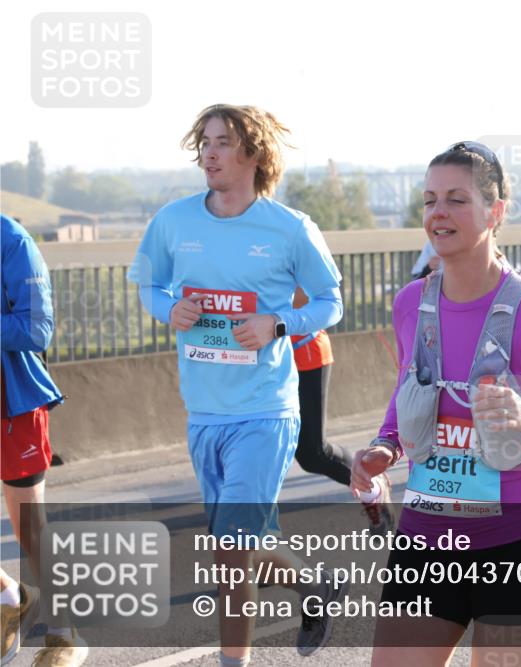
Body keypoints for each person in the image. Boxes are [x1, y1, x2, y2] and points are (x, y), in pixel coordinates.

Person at [350, 142, 521, 666]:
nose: (438, 212)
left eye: (456, 199)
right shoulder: (411, 304)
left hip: (520, 542)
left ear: (495, 212)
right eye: (429, 200)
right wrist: (383, 449)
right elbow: (408, 397)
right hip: (427, 539)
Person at [127, 105, 347, 665]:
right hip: (204, 410)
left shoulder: (290, 228)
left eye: (223, 142)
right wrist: (168, 309)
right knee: (240, 542)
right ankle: (312, 588)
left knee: (229, 552)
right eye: (204, 142)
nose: (209, 152)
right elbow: (149, 287)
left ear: (252, 153)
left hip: (265, 409)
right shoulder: (174, 221)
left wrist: (279, 323)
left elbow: (330, 303)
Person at [1, 214, 86, 667]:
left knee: (29, 529)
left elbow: (36, 329)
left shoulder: (11, 239)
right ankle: (13, 595)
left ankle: (64, 631)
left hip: (12, 403)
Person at [289, 287, 395, 533]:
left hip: (303, 351)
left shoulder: (297, 247)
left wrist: (269, 310)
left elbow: (320, 292)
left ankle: (373, 486)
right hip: (256, 359)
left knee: (312, 453)